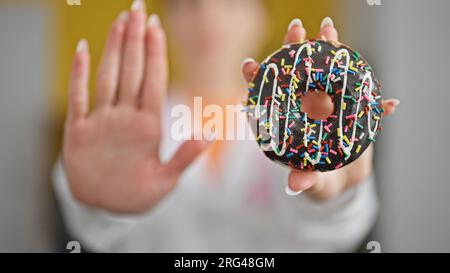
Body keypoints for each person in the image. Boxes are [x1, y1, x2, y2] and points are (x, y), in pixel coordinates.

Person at [53, 0, 399, 252]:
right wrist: (99, 209)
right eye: (188, 4)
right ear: (168, 19)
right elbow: (95, 233)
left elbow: (338, 234)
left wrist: (333, 201)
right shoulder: (119, 134)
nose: (208, 15)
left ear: (261, 16)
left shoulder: (314, 127)